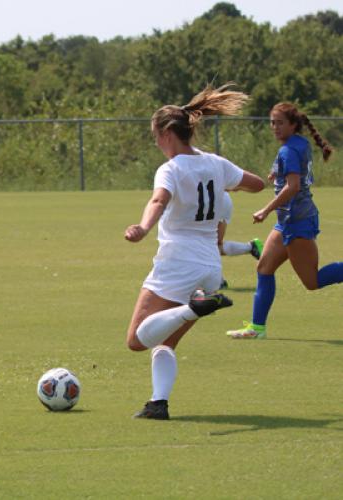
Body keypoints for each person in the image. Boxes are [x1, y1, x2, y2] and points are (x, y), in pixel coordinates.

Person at [124, 83, 265, 420]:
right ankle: (158, 404)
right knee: (165, 342)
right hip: (210, 269)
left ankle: (194, 308)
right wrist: (229, 183)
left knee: (136, 338)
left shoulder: (171, 169)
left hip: (178, 262)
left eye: (156, 135)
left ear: (168, 133)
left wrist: (143, 227)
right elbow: (256, 184)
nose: (156, 143)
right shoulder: (215, 163)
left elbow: (159, 199)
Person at [227, 102, 341, 339]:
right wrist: (273, 173)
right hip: (290, 221)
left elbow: (293, 186)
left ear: (293, 124)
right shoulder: (299, 143)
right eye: (272, 122)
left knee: (312, 281)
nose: (274, 127)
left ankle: (257, 328)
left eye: (280, 123)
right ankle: (257, 329)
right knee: (264, 268)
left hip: (296, 222)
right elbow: (291, 172)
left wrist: (265, 210)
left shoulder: (288, 149)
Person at [218, 190, 263, 289]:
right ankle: (251, 247)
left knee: (206, 244)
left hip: (214, 200)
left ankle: (218, 281)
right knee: (211, 244)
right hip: (217, 199)